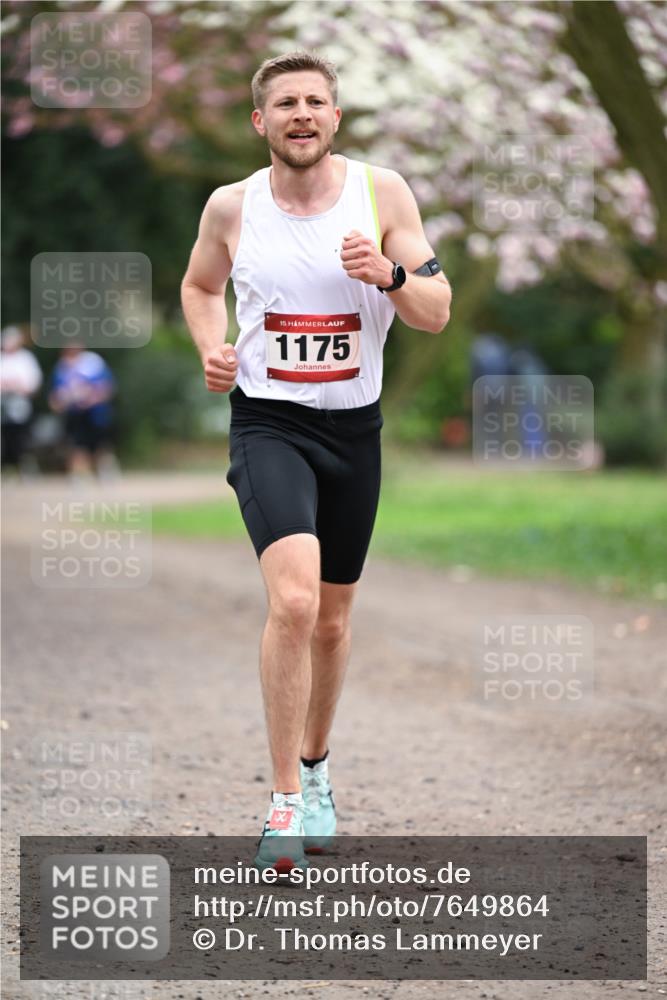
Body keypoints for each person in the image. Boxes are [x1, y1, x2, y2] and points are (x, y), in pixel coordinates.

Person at [181, 51, 451, 873]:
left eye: (316, 102)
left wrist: (391, 272)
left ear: (335, 118)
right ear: (260, 123)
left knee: (332, 620)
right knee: (294, 603)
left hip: (352, 433)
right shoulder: (232, 207)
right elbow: (199, 288)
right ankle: (283, 803)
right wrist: (211, 349)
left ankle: (316, 766)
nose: (302, 114)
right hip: (268, 425)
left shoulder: (384, 194)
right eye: (285, 104)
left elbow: (436, 310)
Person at [48, 345, 117, 479]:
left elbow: (108, 387)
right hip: (75, 414)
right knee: (77, 447)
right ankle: (79, 478)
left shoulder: (93, 362)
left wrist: (93, 398)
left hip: (96, 413)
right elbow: (55, 397)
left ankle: (105, 474)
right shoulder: (62, 368)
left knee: (100, 446)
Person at [0, 326, 43, 475]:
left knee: (21, 437)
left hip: (20, 404)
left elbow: (33, 382)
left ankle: (24, 466)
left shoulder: (26, 358)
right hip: (3, 405)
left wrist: (18, 387)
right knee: (5, 437)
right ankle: (7, 467)